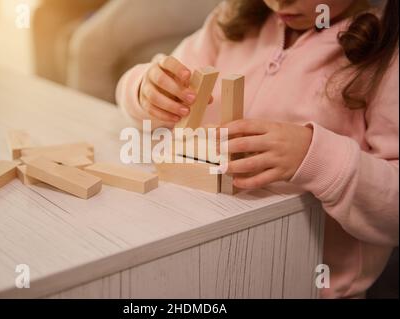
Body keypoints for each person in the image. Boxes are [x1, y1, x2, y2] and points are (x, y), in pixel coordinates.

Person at [116, 0, 399, 298]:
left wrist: (316, 158)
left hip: (308, 287)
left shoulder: (389, 53)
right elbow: (154, 91)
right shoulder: (233, 19)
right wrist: (144, 91)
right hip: (202, 263)